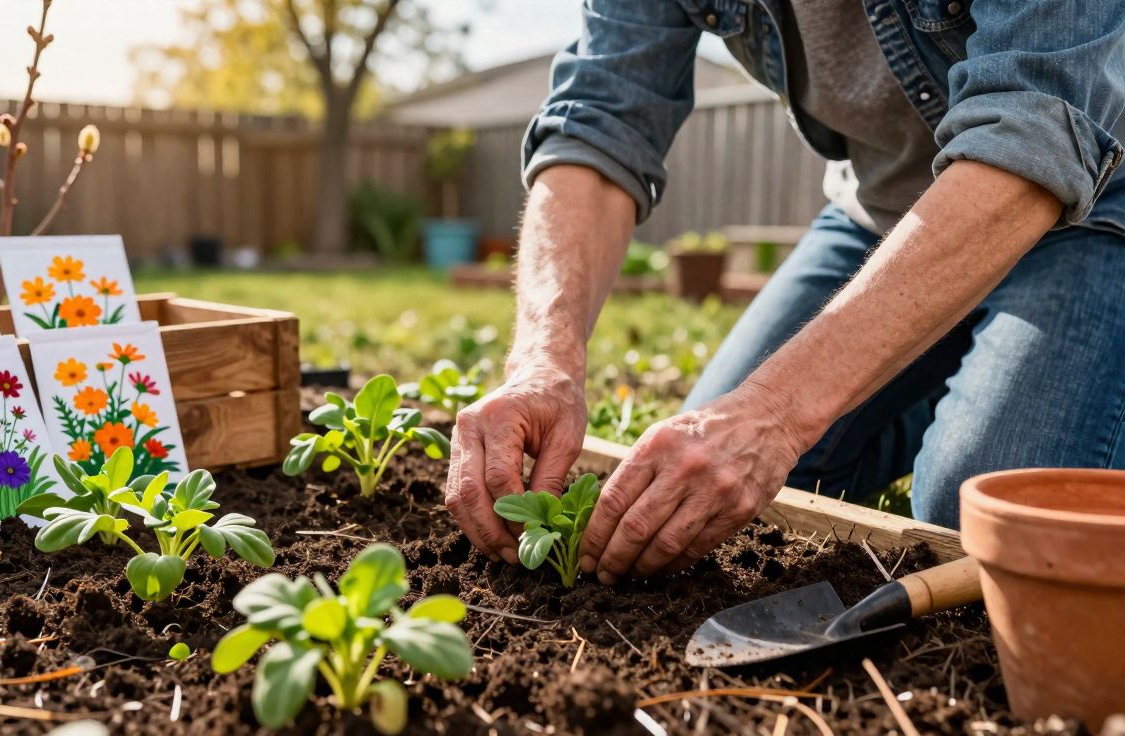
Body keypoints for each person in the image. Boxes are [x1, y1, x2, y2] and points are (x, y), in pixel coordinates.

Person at [444, 0, 1125, 585]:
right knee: (701, 497)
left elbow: (1039, 127)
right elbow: (599, 116)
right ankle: (957, 372)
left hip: (1099, 209)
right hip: (888, 211)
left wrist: (776, 413)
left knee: (975, 513)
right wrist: (545, 360)